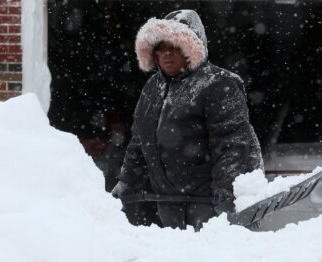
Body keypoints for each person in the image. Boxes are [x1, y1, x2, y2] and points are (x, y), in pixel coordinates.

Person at [112, 9, 264, 230]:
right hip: (168, 204)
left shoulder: (218, 83)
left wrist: (226, 190)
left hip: (209, 205)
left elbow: (231, 142)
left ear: (191, 47)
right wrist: (127, 182)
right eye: (161, 48)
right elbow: (139, 141)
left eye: (175, 47)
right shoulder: (152, 88)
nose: (167, 54)